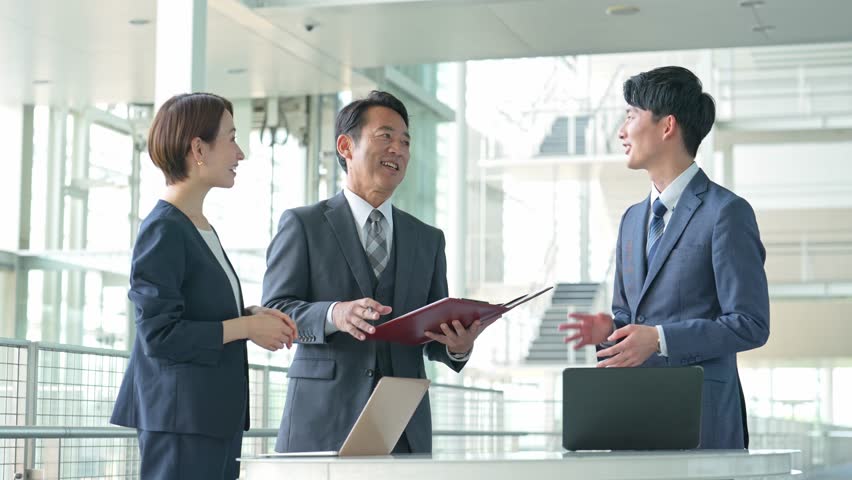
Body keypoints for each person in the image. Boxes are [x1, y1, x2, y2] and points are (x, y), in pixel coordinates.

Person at [559, 66, 770, 449]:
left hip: (702, 420)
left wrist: (659, 339)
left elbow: (750, 323)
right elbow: (630, 319)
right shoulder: (631, 219)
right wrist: (608, 332)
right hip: (635, 419)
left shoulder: (727, 213)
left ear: (667, 125)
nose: (622, 132)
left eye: (630, 116)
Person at [262, 90, 481, 454]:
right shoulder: (304, 224)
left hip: (403, 428)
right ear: (346, 146)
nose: (398, 149)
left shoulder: (428, 239)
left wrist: (458, 346)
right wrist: (335, 313)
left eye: (405, 142)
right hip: (321, 421)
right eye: (386, 137)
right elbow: (276, 311)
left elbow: (434, 333)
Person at [111, 92, 298, 479]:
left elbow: (197, 313)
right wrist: (245, 328)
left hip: (210, 417)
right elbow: (159, 334)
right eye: (231, 138)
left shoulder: (199, 227)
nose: (240, 153)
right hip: (182, 421)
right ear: (198, 148)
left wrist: (250, 316)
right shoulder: (164, 229)